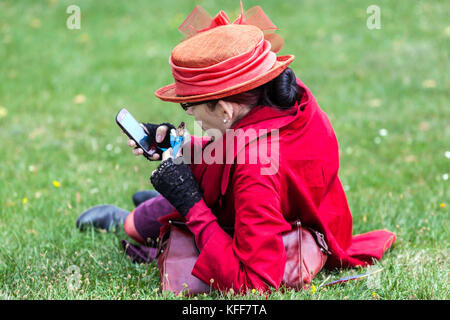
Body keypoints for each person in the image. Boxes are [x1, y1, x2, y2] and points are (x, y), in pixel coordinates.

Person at [76, 4, 396, 293]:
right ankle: (152, 208)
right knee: (174, 190)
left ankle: (129, 220)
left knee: (142, 222)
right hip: (297, 207)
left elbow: (252, 285)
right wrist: (178, 143)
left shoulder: (255, 169)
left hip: (279, 217)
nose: (188, 114)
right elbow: (237, 148)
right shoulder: (287, 98)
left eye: (189, 107)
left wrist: (190, 204)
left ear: (226, 110)